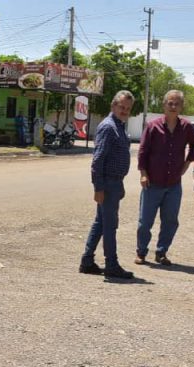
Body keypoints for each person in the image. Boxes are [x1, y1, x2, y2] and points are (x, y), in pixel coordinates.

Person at [134, 89, 194, 266]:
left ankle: (161, 253)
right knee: (145, 222)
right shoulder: (153, 126)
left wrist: (187, 163)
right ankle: (141, 252)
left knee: (170, 221)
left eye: (177, 103)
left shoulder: (186, 127)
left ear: (181, 106)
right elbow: (143, 151)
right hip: (152, 182)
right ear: (164, 105)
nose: (173, 106)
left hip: (173, 185)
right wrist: (143, 173)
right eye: (170, 103)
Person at [79, 90, 135, 279]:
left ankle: (87, 261)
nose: (124, 111)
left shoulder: (119, 126)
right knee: (110, 225)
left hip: (115, 183)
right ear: (113, 106)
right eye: (121, 107)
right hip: (107, 184)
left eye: (127, 108)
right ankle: (111, 264)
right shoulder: (108, 127)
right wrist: (99, 188)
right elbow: (98, 160)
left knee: (101, 223)